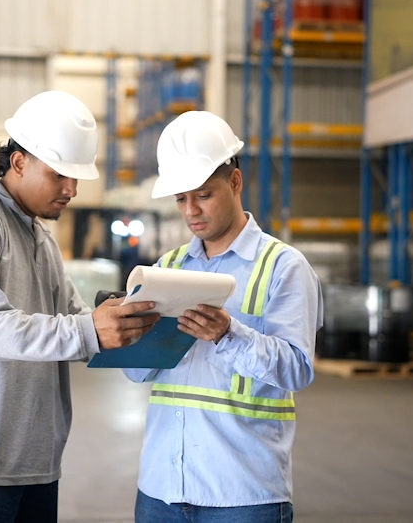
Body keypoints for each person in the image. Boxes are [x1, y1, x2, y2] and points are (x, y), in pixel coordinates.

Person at [0, 90, 161, 523]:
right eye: (59, 174)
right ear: (19, 162)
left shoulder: (40, 237)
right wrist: (90, 330)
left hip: (33, 462)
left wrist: (130, 320)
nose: (72, 190)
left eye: (76, 177)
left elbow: (77, 322)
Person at [123, 111, 324, 522]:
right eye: (181, 199)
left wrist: (228, 334)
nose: (191, 211)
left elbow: (297, 370)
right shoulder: (167, 267)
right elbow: (138, 373)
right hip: (161, 489)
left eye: (203, 195)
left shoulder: (282, 267)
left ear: (235, 182)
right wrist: (128, 336)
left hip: (242, 494)